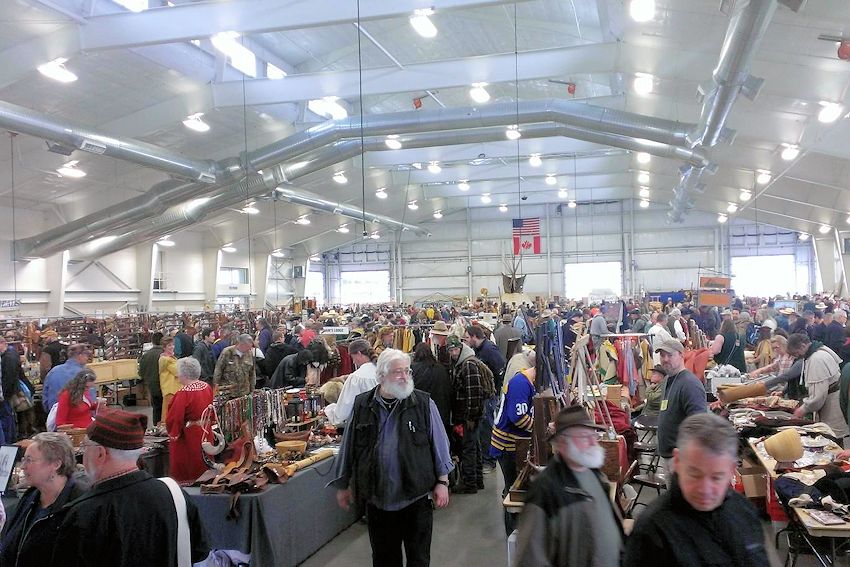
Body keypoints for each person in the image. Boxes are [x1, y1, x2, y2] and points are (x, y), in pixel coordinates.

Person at [331, 348, 453, 567]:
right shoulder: (362, 405)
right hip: (378, 499)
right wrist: (343, 484)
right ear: (382, 376)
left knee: (419, 559)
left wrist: (443, 482)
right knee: (384, 559)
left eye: (407, 371)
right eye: (398, 372)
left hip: (415, 497)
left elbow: (440, 444)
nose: (405, 377)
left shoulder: (423, 404)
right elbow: (349, 446)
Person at [52, 408, 210, 566]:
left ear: (100, 454)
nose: (83, 456)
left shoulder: (83, 514)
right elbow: (199, 551)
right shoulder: (174, 494)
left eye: (85, 447)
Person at [624, 413, 769, 567]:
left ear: (731, 470)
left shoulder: (744, 511)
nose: (705, 490)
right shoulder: (652, 532)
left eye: (716, 477)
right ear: (678, 461)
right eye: (695, 474)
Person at [514, 405, 623, 567]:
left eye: (593, 434)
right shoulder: (545, 492)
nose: (594, 442)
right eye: (584, 437)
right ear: (563, 444)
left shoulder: (595, 475)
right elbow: (530, 558)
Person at [0, 432, 87, 566]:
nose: (23, 466)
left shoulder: (79, 504)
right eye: (23, 459)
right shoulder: (30, 498)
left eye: (29, 460)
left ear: (55, 464)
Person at [490, 359, 536, 535]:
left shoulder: (528, 383)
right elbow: (518, 417)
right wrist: (540, 429)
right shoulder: (520, 384)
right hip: (507, 445)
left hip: (516, 443)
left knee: (513, 488)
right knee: (513, 491)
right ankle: (513, 533)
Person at [655, 339, 707, 482]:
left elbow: (700, 425)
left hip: (681, 459)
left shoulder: (690, 385)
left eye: (670, 355)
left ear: (681, 355)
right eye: (662, 355)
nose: (665, 359)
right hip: (667, 457)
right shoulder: (667, 380)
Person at [787, 333, 850, 444]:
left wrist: (802, 409)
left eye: (796, 353)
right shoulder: (820, 350)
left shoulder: (816, 359)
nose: (796, 357)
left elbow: (818, 396)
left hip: (831, 404)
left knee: (831, 440)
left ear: (802, 346)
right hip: (832, 399)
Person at [447, 334, 485, 494]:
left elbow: (474, 392)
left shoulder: (467, 364)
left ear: (460, 348)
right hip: (470, 414)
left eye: (455, 349)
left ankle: (469, 483)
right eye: (451, 350)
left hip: (469, 415)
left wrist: (471, 416)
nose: (453, 352)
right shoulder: (461, 362)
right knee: (474, 446)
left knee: (469, 448)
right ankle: (477, 480)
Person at [465, 324, 506, 474]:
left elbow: (501, 369)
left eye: (467, 338)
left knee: (486, 427)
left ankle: (489, 461)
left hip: (489, 396)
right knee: (484, 427)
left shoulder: (489, 349)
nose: (466, 340)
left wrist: (494, 389)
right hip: (485, 395)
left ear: (474, 337)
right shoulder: (480, 349)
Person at [166, 357, 214, 483]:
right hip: (205, 431)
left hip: (190, 436)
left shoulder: (183, 393)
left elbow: (174, 418)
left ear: (184, 374)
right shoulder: (206, 387)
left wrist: (173, 433)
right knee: (205, 461)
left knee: (189, 465)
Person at [323, 339, 378, 428]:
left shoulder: (357, 377)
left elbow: (344, 411)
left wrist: (329, 410)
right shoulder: (381, 371)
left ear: (359, 354)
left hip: (365, 426)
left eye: (353, 357)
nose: (353, 362)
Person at [411, 342, 453, 437]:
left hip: (421, 410)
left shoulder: (413, 369)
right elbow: (448, 390)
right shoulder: (441, 369)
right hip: (440, 410)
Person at [42, 344, 91, 414]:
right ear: (80, 356)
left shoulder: (53, 371)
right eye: (86, 356)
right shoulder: (85, 373)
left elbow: (45, 397)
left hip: (56, 415)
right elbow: (90, 400)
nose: (87, 359)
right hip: (78, 417)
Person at [213, 334, 257, 400]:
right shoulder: (227, 352)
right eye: (247, 347)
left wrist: (252, 390)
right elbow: (218, 370)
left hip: (244, 392)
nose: (249, 349)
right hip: (229, 392)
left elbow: (252, 373)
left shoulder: (249, 354)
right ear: (241, 344)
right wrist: (216, 388)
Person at [138, 332, 164, 423]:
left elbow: (141, 372)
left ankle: (156, 428)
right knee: (166, 409)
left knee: (156, 409)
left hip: (152, 386)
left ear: (152, 341)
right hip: (165, 386)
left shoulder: (146, 356)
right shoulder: (165, 354)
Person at [0, 337, 22, 443]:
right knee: (8, 418)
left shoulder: (8, 357)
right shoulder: (11, 354)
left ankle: (8, 442)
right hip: (8, 393)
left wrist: (4, 394)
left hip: (6, 394)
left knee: (6, 419)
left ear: (3, 343)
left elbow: (8, 377)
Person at [158, 338, 179, 424]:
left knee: (168, 412)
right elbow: (178, 372)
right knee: (168, 413)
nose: (172, 347)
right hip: (171, 390)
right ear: (164, 347)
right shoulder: (167, 360)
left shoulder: (169, 359)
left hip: (171, 389)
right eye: (169, 345)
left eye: (172, 345)